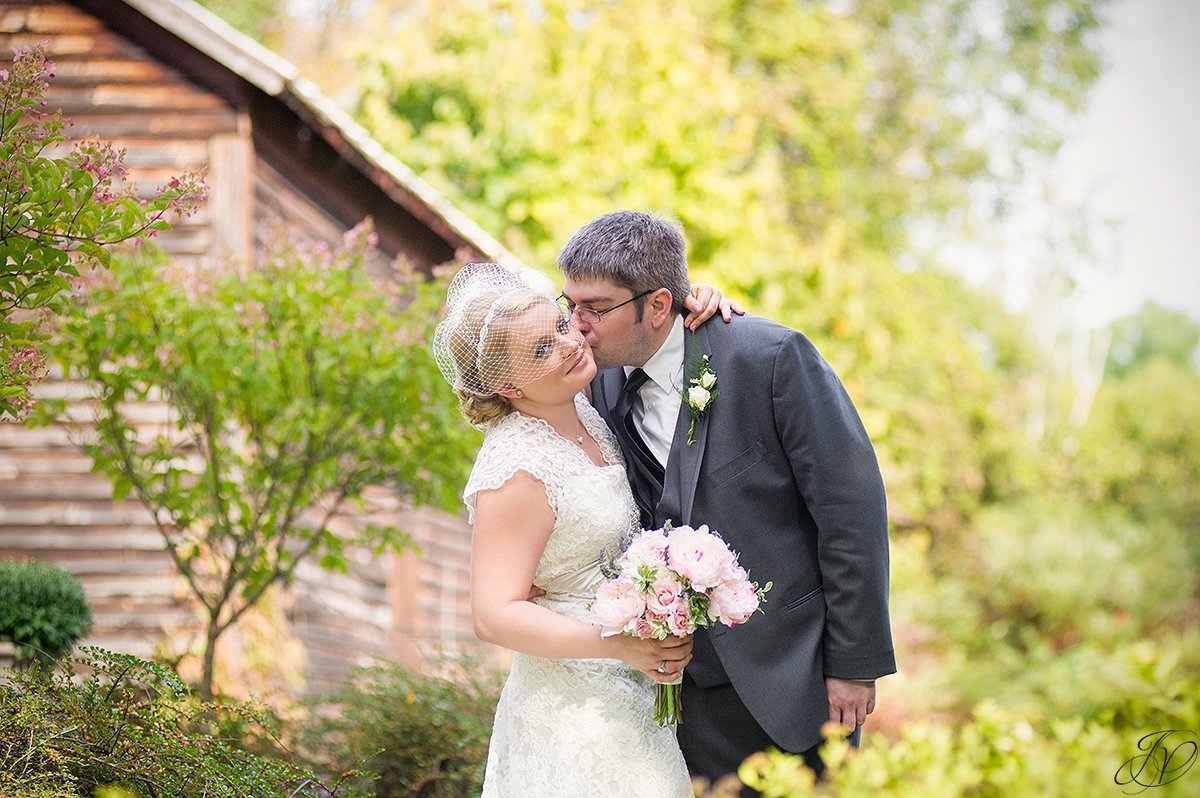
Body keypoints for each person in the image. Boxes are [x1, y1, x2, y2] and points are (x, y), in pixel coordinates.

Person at [557, 210, 896, 792]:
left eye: (594, 308)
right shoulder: (594, 384)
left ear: (658, 305)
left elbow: (851, 514)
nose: (576, 325)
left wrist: (854, 664)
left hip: (796, 683)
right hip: (674, 696)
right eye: (569, 305)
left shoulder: (770, 359)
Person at [431, 263, 735, 797]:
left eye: (560, 325)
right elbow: (492, 613)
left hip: (632, 688)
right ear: (506, 385)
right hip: (571, 708)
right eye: (541, 350)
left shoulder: (586, 409)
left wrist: (693, 301)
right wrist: (616, 644)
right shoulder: (515, 465)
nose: (569, 343)